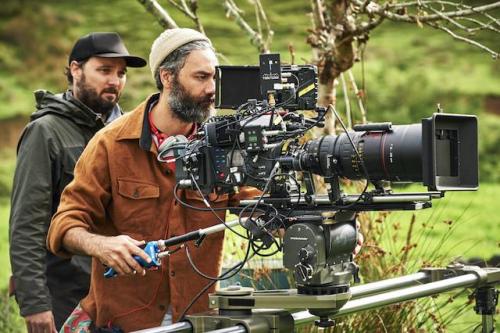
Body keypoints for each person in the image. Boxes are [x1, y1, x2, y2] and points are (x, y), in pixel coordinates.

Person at [46, 28, 258, 332]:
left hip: (198, 320)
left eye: (214, 77)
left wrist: (323, 232)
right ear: (167, 77)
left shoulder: (226, 146)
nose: (212, 89)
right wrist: (102, 246)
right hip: (125, 321)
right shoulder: (110, 144)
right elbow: (64, 225)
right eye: (200, 77)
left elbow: (263, 206)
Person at [9, 32, 146, 333]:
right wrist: (35, 304)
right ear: (75, 69)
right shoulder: (45, 133)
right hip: (64, 296)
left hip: (121, 295)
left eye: (121, 73)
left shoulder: (127, 131)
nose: (115, 81)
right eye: (104, 70)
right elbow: (27, 223)